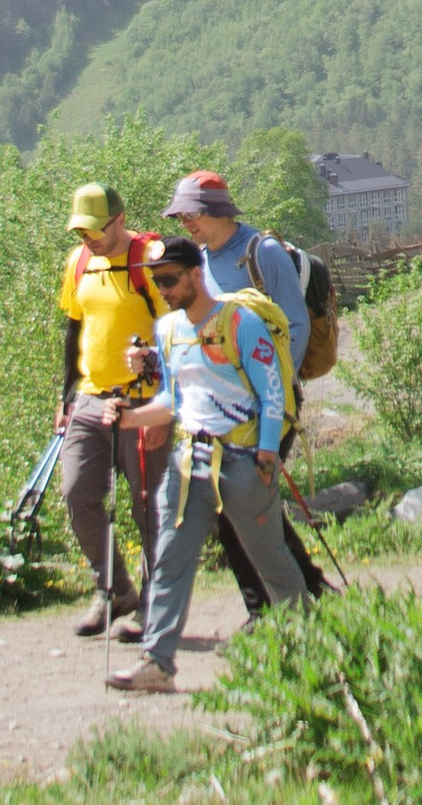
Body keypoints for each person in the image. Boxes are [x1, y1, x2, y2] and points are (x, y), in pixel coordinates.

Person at [108, 237, 308, 694]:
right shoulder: (169, 330)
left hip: (242, 460)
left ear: (197, 274)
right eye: (158, 281)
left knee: (270, 560)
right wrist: (128, 417)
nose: (164, 289)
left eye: (171, 280)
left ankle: (312, 646)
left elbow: (271, 391)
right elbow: (174, 402)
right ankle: (156, 663)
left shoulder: (241, 323)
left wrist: (266, 452)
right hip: (188, 459)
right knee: (170, 561)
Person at [56, 182, 162, 637]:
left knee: (146, 507)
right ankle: (115, 591)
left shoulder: (150, 259)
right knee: (77, 494)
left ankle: (153, 605)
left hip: (143, 397)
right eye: (83, 232)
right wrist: (65, 397)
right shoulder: (78, 262)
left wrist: (164, 401)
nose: (90, 240)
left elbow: (179, 325)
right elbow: (73, 330)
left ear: (120, 220)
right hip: (90, 397)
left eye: (97, 231)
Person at [164, 170, 312, 375]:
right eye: (180, 216)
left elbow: (296, 326)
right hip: (222, 395)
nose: (185, 223)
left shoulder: (264, 252)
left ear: (218, 210)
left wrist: (269, 387)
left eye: (192, 213)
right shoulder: (199, 261)